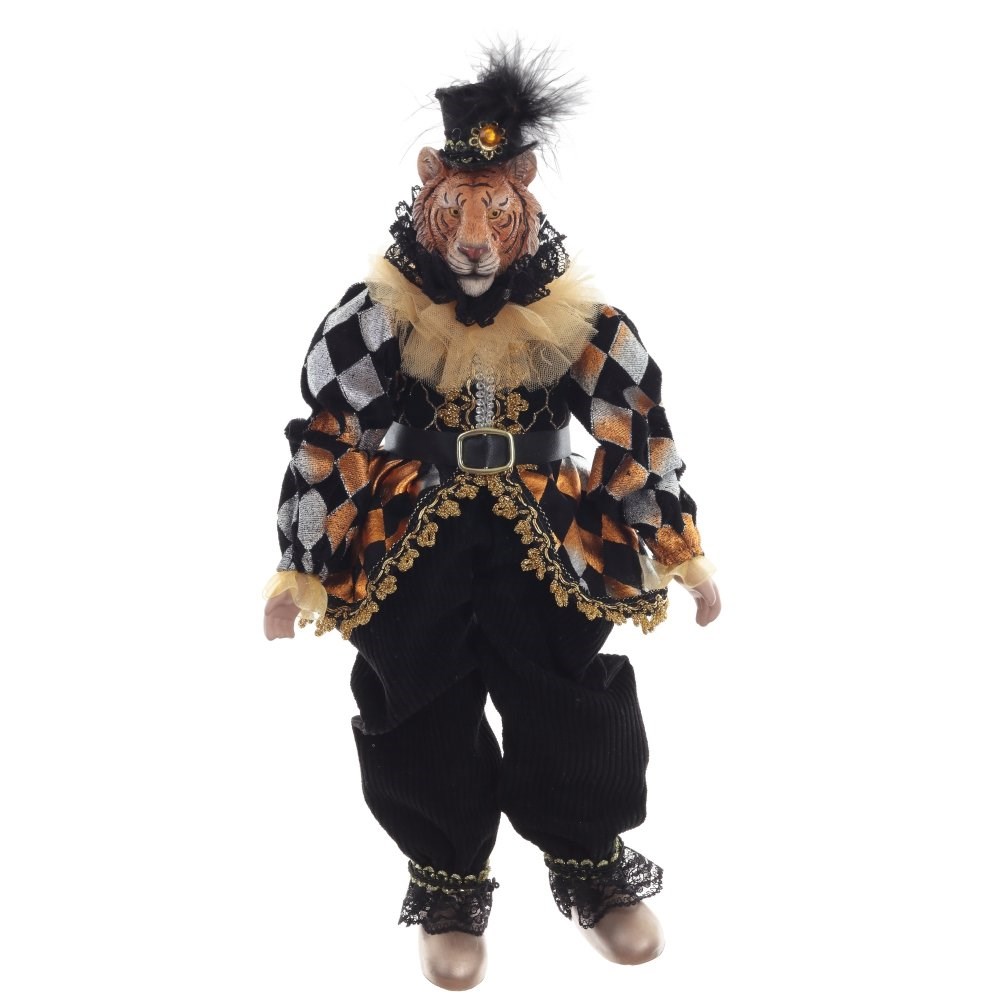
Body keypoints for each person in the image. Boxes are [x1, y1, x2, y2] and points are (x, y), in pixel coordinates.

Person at [263, 43, 721, 991]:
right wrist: (300, 563)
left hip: (545, 526)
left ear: (524, 201)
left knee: (562, 680)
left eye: (497, 213)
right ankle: (448, 879)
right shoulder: (376, 316)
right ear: (428, 195)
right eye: (456, 211)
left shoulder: (578, 319)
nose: (474, 237)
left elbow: (634, 425)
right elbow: (331, 430)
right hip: (411, 526)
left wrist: (679, 548)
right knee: (414, 685)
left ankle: (589, 860)